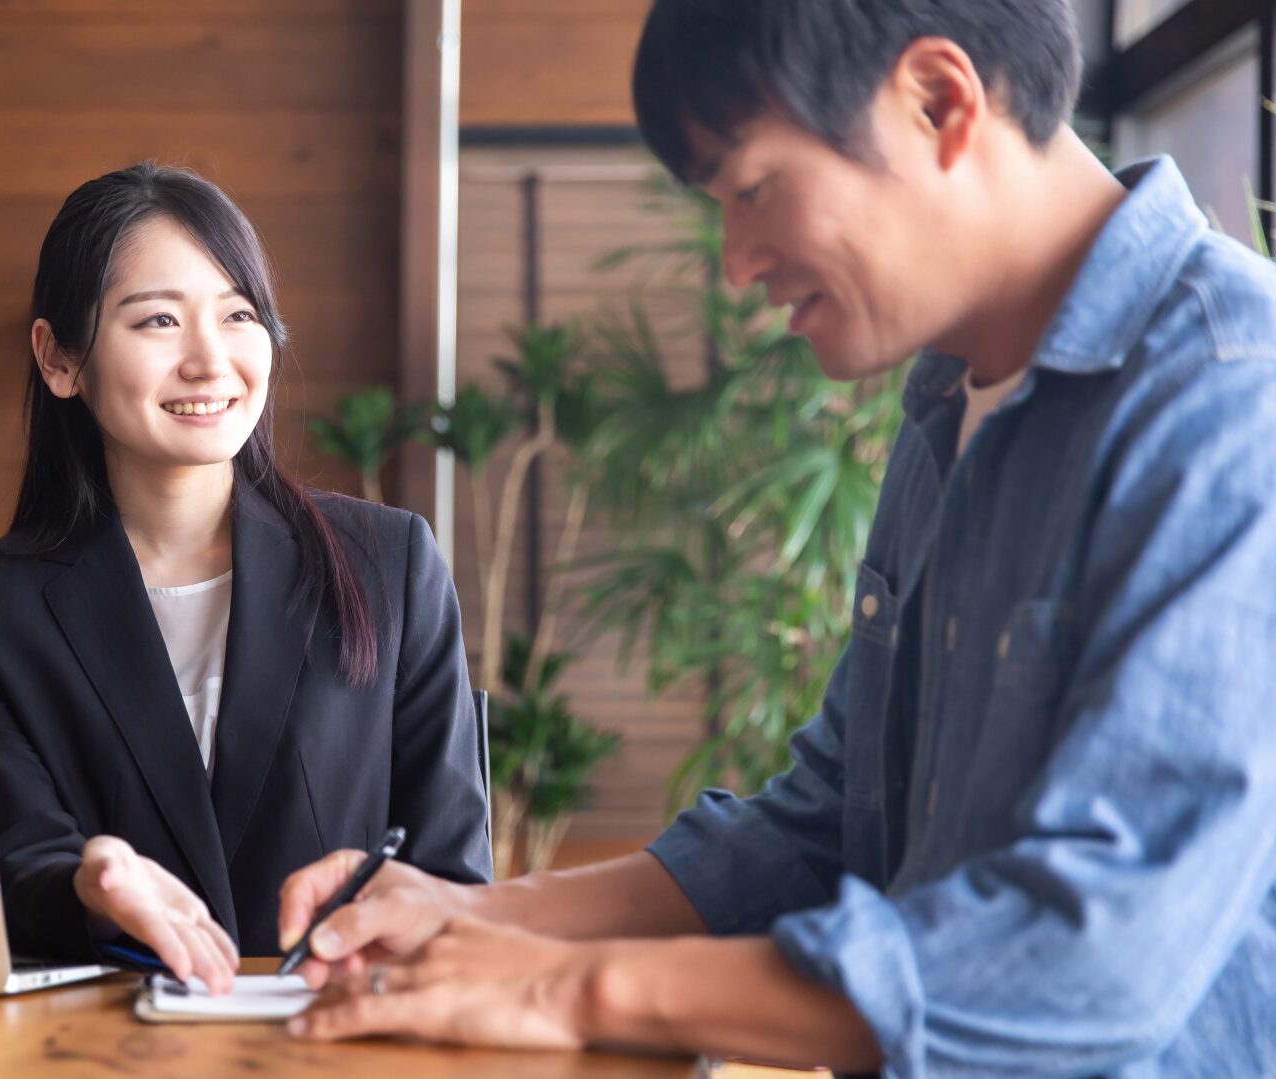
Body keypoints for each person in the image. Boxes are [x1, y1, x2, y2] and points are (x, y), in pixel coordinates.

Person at [275, 1, 1276, 1073]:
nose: (737, 263)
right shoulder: (950, 399)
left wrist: (574, 988)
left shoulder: (1230, 399)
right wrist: (480, 916)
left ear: (937, 101)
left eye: (752, 189)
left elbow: (1094, 955)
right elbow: (829, 824)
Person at [0, 164, 491, 994]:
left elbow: (450, 876)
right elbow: (12, 869)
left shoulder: (390, 563)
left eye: (238, 315)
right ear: (59, 357)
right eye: (158, 319)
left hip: (334, 1041)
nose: (210, 359)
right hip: (99, 1045)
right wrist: (90, 884)